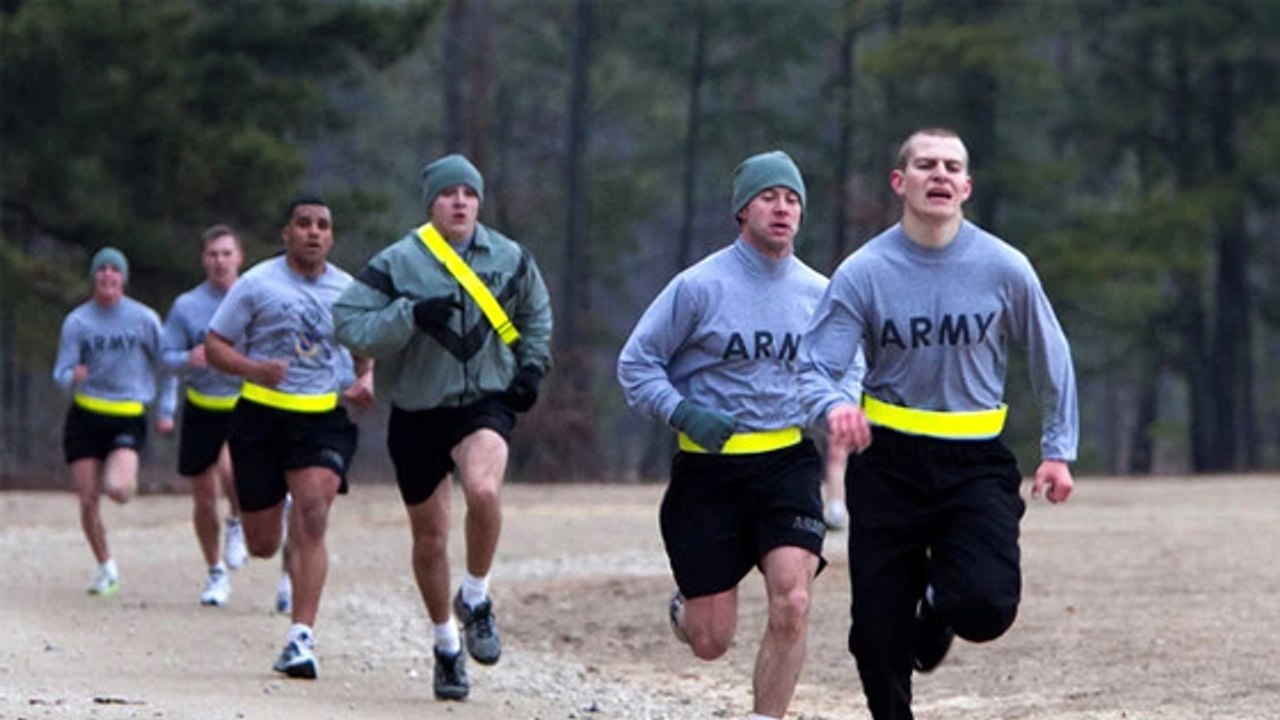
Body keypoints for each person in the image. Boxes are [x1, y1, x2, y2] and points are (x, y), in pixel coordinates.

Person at [797, 127, 1078, 720]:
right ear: (900, 182)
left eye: (952, 166)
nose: (940, 175)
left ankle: (937, 601)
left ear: (967, 187)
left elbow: (1050, 357)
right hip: (888, 462)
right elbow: (815, 367)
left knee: (986, 605)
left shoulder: (1005, 267)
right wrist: (833, 408)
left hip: (974, 462)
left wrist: (1057, 450)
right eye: (926, 165)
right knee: (877, 634)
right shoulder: (864, 271)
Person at [617, 150, 827, 720]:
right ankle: (687, 608)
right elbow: (636, 364)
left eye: (792, 199)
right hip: (708, 471)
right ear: (742, 211)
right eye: (768, 197)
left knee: (793, 600)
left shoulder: (820, 293)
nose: (782, 208)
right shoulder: (698, 287)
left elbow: (847, 365)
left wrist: (838, 408)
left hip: (787, 463)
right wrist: (683, 413)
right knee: (711, 640)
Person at [333, 153, 552, 701]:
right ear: (431, 202)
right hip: (417, 409)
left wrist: (531, 367)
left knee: (483, 490)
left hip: (484, 401)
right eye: (449, 193)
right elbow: (348, 324)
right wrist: (407, 316)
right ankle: (446, 645)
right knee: (430, 539)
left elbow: (535, 313)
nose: (460, 202)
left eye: (469, 193)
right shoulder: (399, 261)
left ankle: (475, 597)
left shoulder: (509, 257)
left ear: (479, 202)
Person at [205, 197, 374, 680]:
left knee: (314, 516)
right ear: (287, 233)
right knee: (262, 544)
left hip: (322, 417)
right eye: (304, 224)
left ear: (331, 236)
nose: (313, 232)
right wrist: (253, 368)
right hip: (261, 417)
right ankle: (274, 510)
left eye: (322, 225)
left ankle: (301, 637)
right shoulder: (256, 283)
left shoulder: (348, 290)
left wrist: (366, 378)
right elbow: (215, 346)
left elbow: (364, 349)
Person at [52, 247, 176, 596]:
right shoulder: (78, 322)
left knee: (116, 489)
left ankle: (125, 481)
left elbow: (167, 365)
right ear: (94, 277)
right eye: (101, 269)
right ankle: (106, 566)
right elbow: (60, 372)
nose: (107, 275)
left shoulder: (144, 319)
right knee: (87, 498)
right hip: (86, 414)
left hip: (127, 413)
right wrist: (72, 377)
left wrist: (166, 410)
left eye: (114, 270)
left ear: (123, 278)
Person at [160, 225, 249, 607]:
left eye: (226, 253)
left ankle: (238, 522)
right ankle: (215, 572)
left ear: (239, 257)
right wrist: (187, 359)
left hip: (245, 402)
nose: (220, 261)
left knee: (232, 472)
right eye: (213, 254)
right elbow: (165, 357)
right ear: (203, 260)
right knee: (203, 496)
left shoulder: (255, 296)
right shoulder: (187, 305)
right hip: (202, 405)